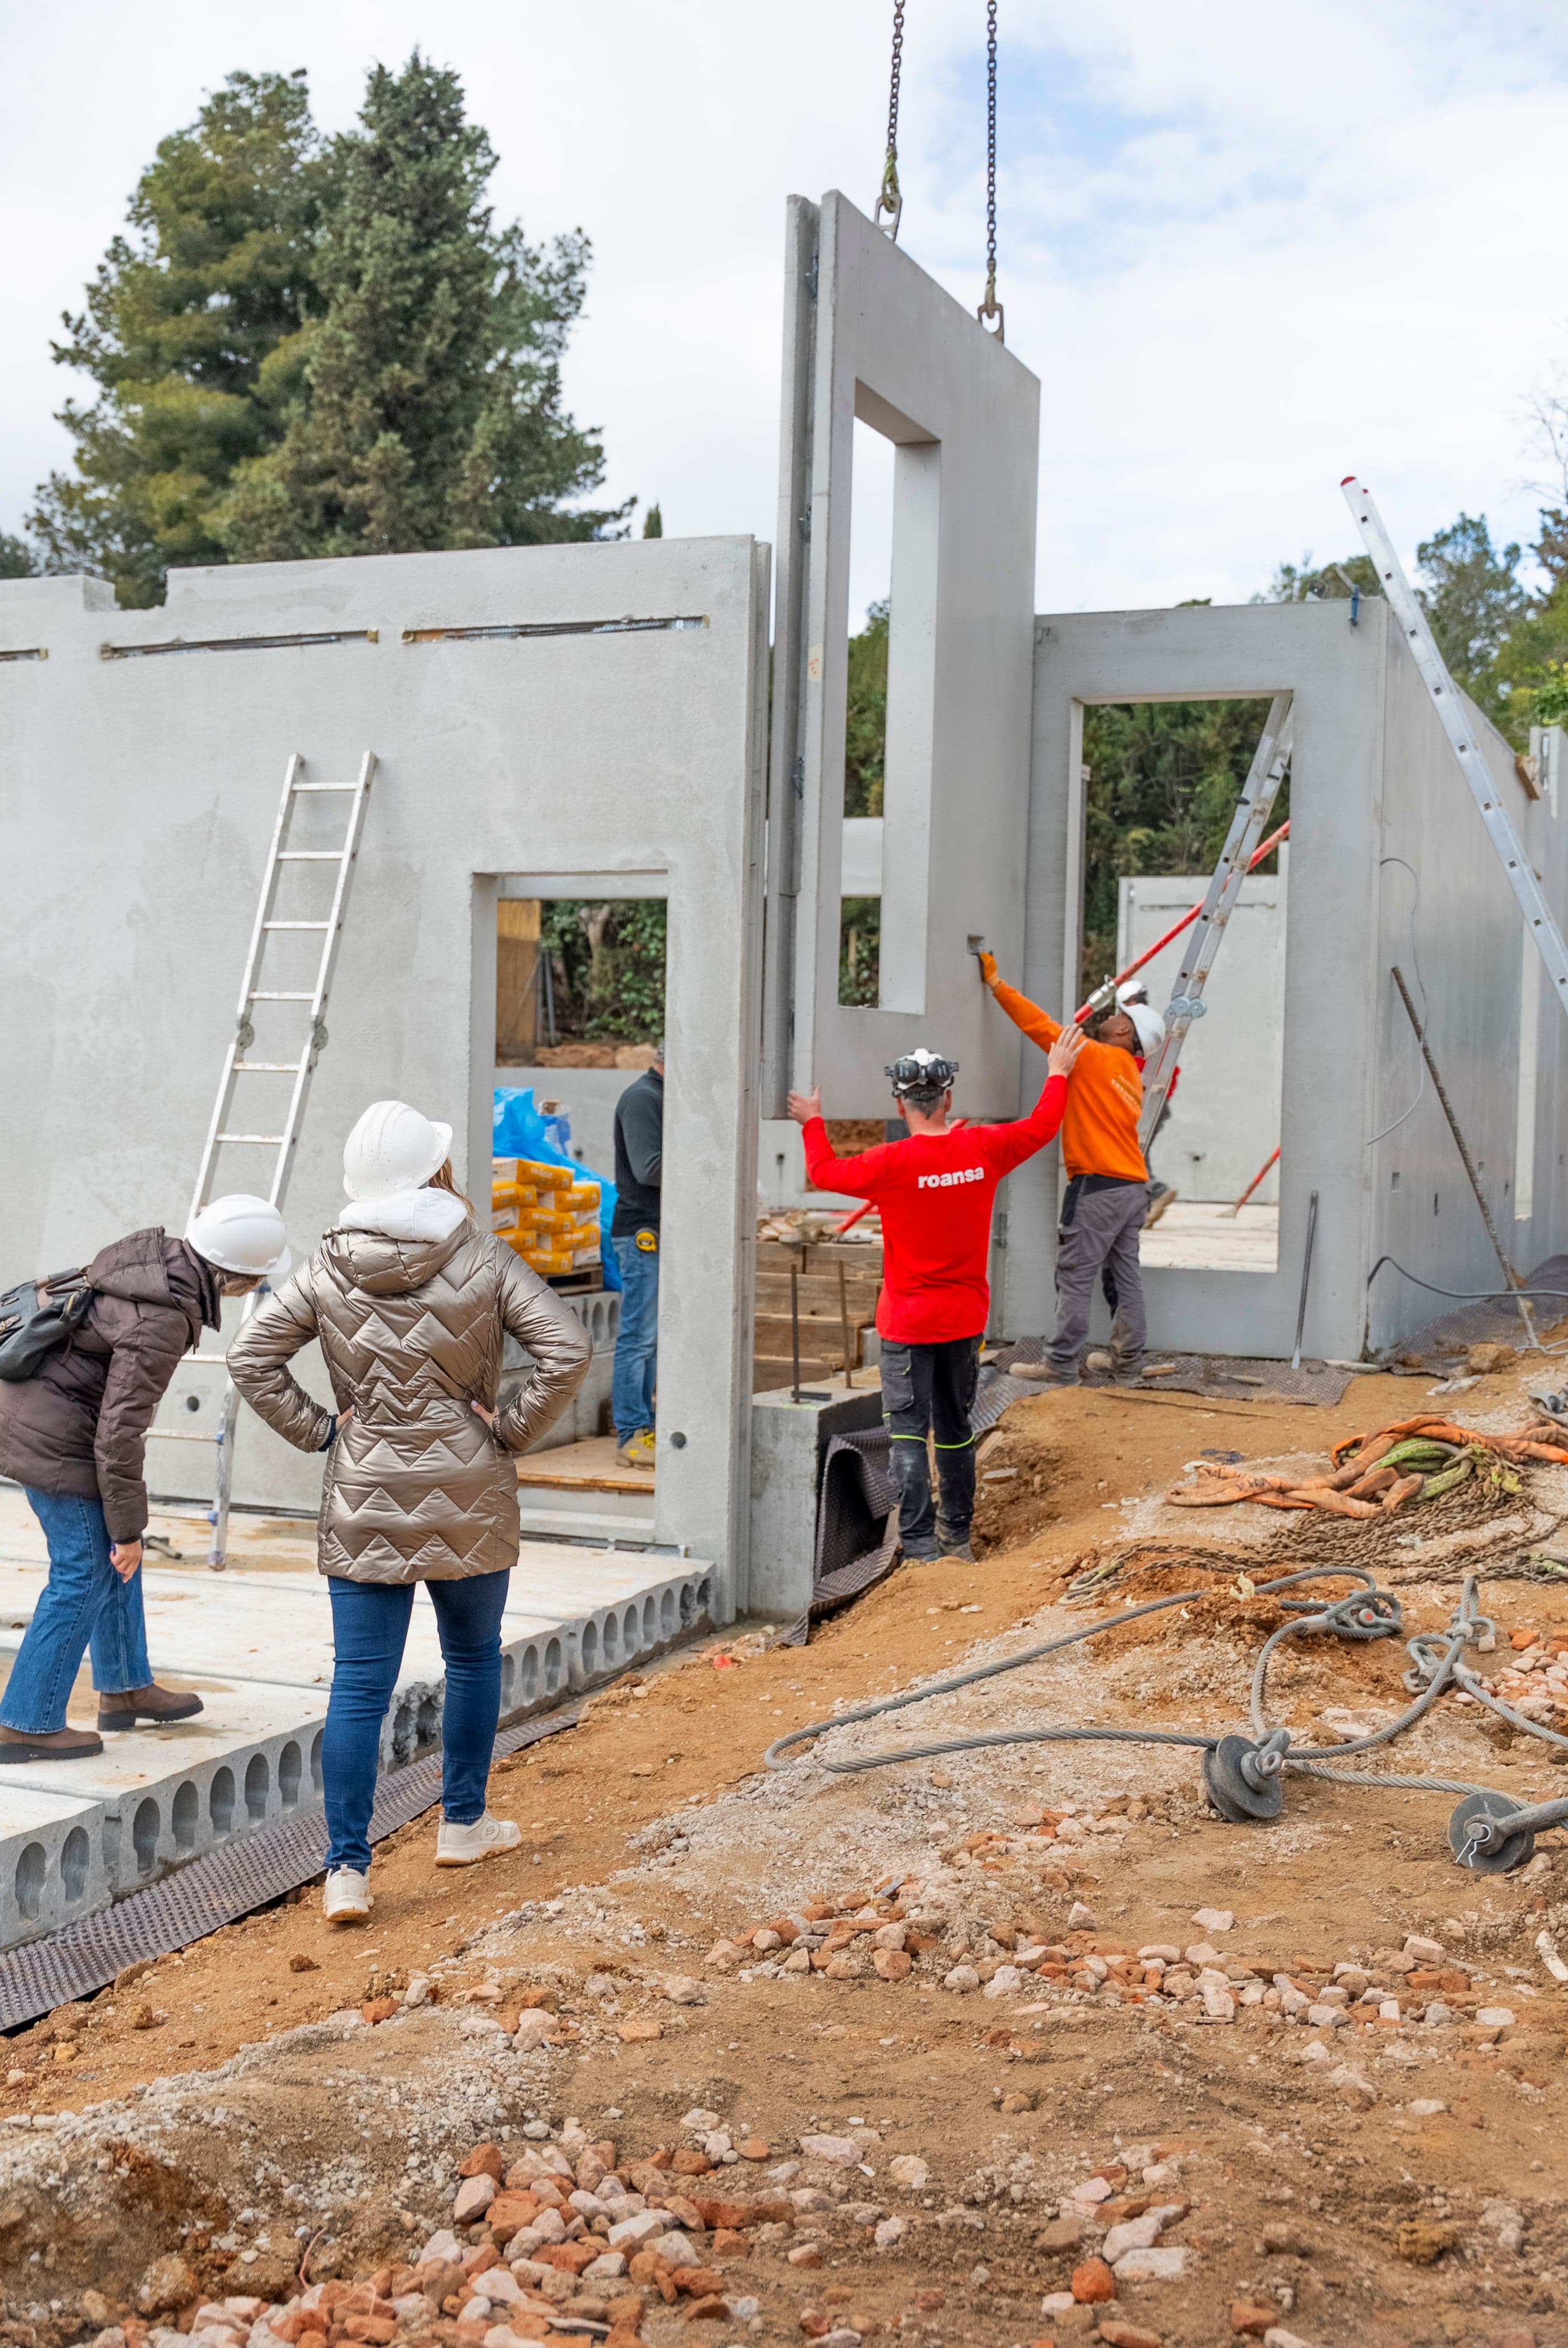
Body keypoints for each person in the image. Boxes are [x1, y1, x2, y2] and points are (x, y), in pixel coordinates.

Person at [227, 1100, 590, 1923]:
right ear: (435, 1171)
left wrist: (323, 1430)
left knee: (360, 1687)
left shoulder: (325, 1269)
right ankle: (463, 1824)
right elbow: (567, 1348)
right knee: (472, 1659)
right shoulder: (485, 1258)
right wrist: (514, 1429)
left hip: (361, 1497)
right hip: (471, 1493)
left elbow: (251, 1357)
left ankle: (346, 1872)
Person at [0, 1195, 291, 1760]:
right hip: (48, 1431)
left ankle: (126, 1687)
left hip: (37, 1409)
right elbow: (117, 1434)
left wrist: (126, 1531)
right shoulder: (163, 1316)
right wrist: (131, 1528)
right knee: (85, 1569)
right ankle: (25, 1720)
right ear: (236, 1276)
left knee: (114, 1552)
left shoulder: (157, 1264)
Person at [788, 1029, 1082, 1564]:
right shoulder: (985, 1149)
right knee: (953, 1432)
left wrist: (812, 1119)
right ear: (948, 1099)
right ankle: (958, 1539)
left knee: (906, 1435)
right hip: (964, 1321)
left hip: (907, 1324)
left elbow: (822, 1172)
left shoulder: (888, 1163)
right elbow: (1043, 1127)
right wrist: (1057, 1071)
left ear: (900, 1103)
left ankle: (921, 1549)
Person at [977, 952, 1163, 1388]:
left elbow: (1039, 1026)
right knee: (1126, 1276)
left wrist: (997, 985)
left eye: (1116, 1016)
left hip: (1097, 1187)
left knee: (1075, 1274)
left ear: (1124, 1030)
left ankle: (1060, 1364)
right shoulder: (1129, 1077)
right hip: (1133, 1188)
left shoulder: (1093, 1057)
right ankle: (1128, 1362)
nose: (1107, 1018)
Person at [610, 1045, 664, 1469]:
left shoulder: (663, 1097)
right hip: (641, 1231)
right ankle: (630, 1432)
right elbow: (648, 1168)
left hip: (661, 1230)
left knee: (653, 1338)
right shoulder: (644, 1098)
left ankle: (645, 1425)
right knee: (639, 1337)